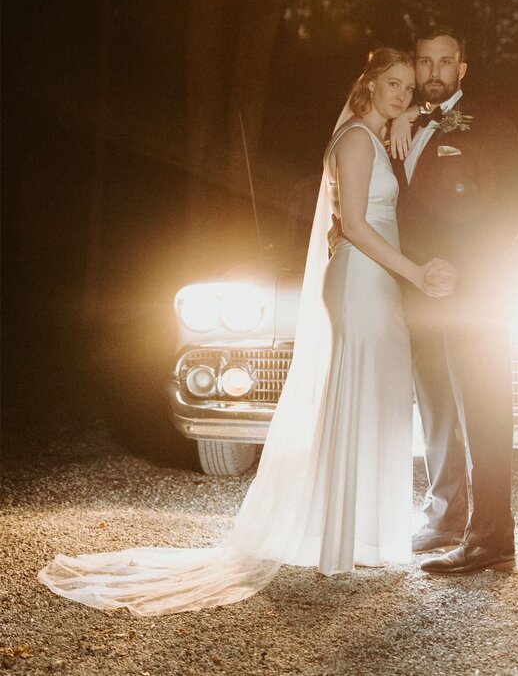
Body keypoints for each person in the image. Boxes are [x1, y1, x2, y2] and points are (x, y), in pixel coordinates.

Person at [38, 48, 456, 616]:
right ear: (368, 85)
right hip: (363, 280)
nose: (403, 93)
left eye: (409, 86)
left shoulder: (376, 135)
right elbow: (355, 225)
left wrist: (405, 120)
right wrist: (416, 273)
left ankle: (358, 535)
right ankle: (342, 540)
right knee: (358, 395)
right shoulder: (357, 139)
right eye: (393, 83)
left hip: (376, 281)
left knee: (371, 400)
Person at [389, 27, 518, 575]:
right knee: (437, 407)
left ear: (463, 68)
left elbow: (513, 207)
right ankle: (446, 515)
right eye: (425, 61)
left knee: (485, 408)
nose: (433, 72)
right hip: (419, 292)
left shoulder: (491, 125)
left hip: (475, 293)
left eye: (445, 61)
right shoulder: (403, 124)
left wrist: (464, 270)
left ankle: (492, 536)